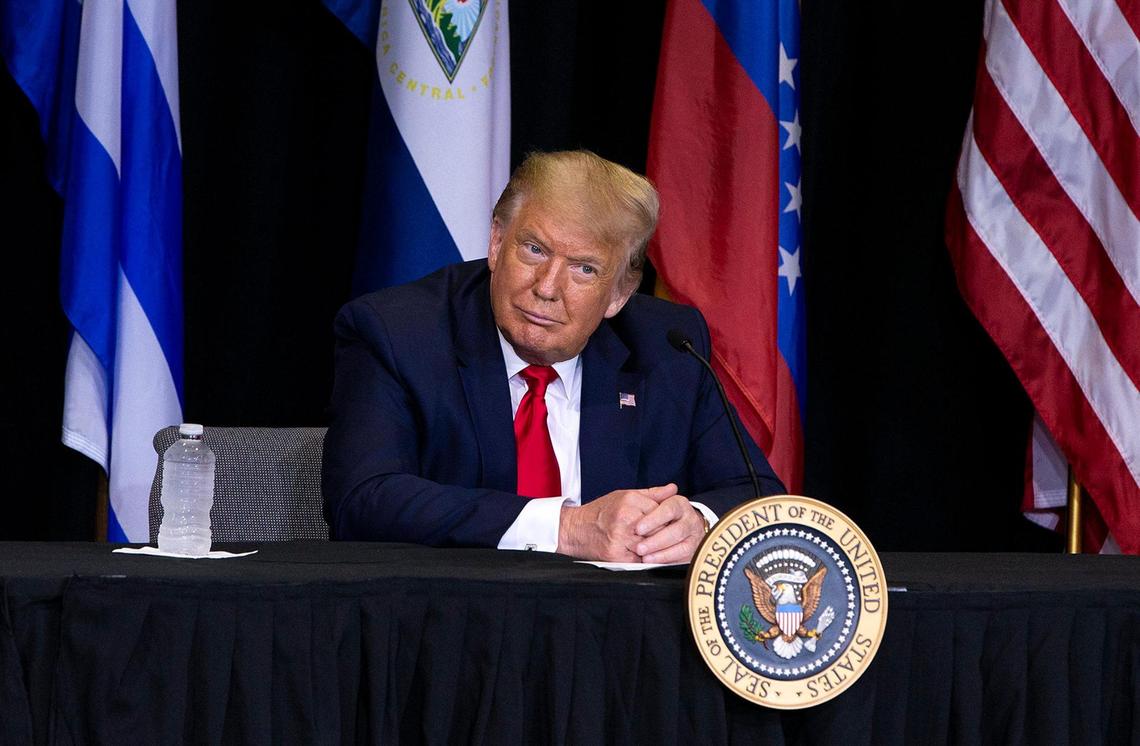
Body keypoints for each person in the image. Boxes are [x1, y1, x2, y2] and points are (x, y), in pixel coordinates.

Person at [322, 150, 784, 563]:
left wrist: (697, 522)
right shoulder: (398, 332)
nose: (546, 288)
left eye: (584, 269)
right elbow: (362, 500)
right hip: (450, 616)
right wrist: (567, 528)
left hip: (612, 623)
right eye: (534, 249)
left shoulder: (668, 345)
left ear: (620, 293)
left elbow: (758, 495)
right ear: (497, 241)